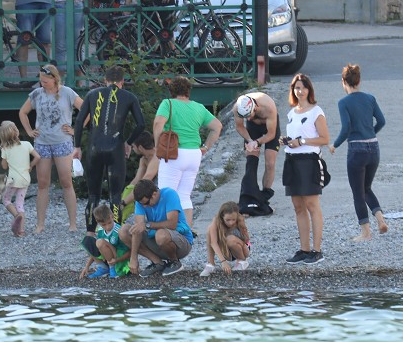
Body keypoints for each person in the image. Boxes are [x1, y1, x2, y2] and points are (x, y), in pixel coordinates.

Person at [73, 65, 146, 232]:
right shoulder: (129, 97)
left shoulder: (92, 95)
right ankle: (116, 233)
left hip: (94, 147)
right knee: (115, 195)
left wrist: (77, 146)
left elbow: (79, 122)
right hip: (116, 148)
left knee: (93, 196)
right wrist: (128, 142)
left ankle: (90, 233)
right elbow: (141, 124)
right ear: (122, 82)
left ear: (105, 81)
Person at [17, 64, 82, 233]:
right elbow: (22, 112)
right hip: (42, 143)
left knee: (67, 182)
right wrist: (29, 131)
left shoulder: (67, 92)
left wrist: (76, 129)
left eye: (45, 81)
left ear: (54, 79)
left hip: (62, 142)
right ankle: (40, 224)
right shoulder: (37, 94)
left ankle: (73, 224)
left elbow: (85, 109)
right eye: (41, 81)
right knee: (42, 184)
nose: (42, 83)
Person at [330, 64, 388, 241]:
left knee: (357, 192)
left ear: (343, 81)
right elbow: (382, 121)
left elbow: (346, 128)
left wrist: (335, 144)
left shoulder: (343, 102)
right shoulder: (370, 98)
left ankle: (366, 233)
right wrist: (370, 133)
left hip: (357, 150)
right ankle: (380, 220)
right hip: (374, 148)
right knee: (366, 188)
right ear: (359, 80)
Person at [154, 76, 222, 228]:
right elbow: (217, 126)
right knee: (184, 196)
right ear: (188, 91)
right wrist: (205, 147)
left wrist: (158, 145)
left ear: (171, 91)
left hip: (173, 153)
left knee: (166, 194)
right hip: (194, 154)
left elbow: (159, 123)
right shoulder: (198, 107)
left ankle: (167, 231)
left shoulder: (168, 103)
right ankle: (187, 232)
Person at [282, 73, 330, 265]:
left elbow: (324, 139)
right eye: (296, 88)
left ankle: (317, 250)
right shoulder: (292, 113)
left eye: (302, 87)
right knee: (298, 207)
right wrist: (286, 142)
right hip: (292, 160)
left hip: (309, 161)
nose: (299, 91)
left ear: (309, 90)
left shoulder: (316, 112)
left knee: (312, 205)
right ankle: (304, 249)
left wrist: (301, 141)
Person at [120, 180, 194, 277]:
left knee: (161, 234)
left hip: (181, 243)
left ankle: (174, 262)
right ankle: (158, 263)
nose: (144, 206)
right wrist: (133, 258)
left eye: (146, 203)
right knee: (124, 231)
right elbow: (138, 230)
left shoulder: (169, 194)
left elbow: (172, 224)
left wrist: (147, 225)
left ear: (154, 194)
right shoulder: (141, 202)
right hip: (158, 242)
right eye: (142, 204)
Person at [233, 91, 279, 217]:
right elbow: (240, 126)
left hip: (269, 128)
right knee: (251, 161)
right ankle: (248, 199)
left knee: (270, 163)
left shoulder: (268, 107)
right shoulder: (238, 108)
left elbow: (271, 134)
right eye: (245, 117)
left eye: (250, 115)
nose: (248, 118)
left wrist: (258, 142)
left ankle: (264, 197)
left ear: (256, 107)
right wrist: (250, 141)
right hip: (252, 129)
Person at [0, 120, 39, 237]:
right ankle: (21, 231)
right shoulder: (26, 144)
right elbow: (37, 157)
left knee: (6, 200)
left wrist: (3, 153)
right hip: (25, 179)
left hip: (13, 180)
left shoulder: (5, 148)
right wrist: (31, 166)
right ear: (16, 132)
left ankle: (17, 216)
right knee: (20, 204)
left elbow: (4, 166)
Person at [80, 204, 131, 279]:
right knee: (88, 241)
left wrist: (116, 260)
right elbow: (96, 249)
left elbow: (129, 252)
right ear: (98, 222)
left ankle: (113, 269)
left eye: (109, 222)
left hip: (119, 261)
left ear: (112, 216)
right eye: (104, 224)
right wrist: (87, 266)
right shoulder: (100, 231)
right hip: (108, 259)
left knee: (100, 242)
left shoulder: (119, 231)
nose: (107, 227)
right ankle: (103, 268)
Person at [200, 201, 251, 277]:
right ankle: (211, 263)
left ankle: (242, 261)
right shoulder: (216, 222)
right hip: (227, 251)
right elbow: (213, 243)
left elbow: (247, 240)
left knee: (230, 239)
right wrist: (223, 262)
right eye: (228, 220)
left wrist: (234, 234)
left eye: (233, 220)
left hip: (243, 250)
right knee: (209, 230)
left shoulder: (240, 220)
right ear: (222, 217)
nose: (231, 223)